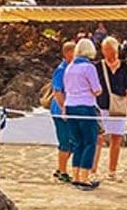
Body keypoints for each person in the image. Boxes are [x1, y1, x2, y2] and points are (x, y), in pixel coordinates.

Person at [61, 37, 104, 188]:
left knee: (77, 142)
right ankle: (85, 177)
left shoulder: (69, 67)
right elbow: (97, 89)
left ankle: (76, 174)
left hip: (70, 106)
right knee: (89, 142)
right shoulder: (89, 67)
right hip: (85, 106)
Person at [42, 38, 75, 182]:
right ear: (68, 53)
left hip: (67, 108)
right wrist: (63, 108)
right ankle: (62, 170)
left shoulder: (69, 68)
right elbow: (58, 91)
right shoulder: (61, 70)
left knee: (72, 141)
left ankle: (61, 167)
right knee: (65, 140)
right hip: (60, 110)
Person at [97, 37, 127, 179]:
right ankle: (92, 170)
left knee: (117, 139)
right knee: (98, 138)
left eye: (110, 50)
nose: (108, 53)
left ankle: (112, 170)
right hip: (102, 105)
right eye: (105, 50)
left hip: (119, 106)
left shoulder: (124, 67)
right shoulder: (98, 66)